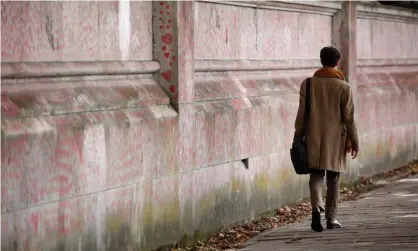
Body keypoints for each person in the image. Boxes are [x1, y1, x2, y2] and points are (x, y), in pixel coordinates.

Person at [293, 46, 359, 232]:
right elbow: (349, 118)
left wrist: (298, 135)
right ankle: (331, 219)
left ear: (321, 60)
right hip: (336, 139)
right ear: (337, 63)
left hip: (312, 136)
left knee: (315, 176)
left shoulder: (308, 84)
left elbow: (301, 114)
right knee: (333, 178)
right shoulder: (344, 87)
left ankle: (316, 208)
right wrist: (355, 141)